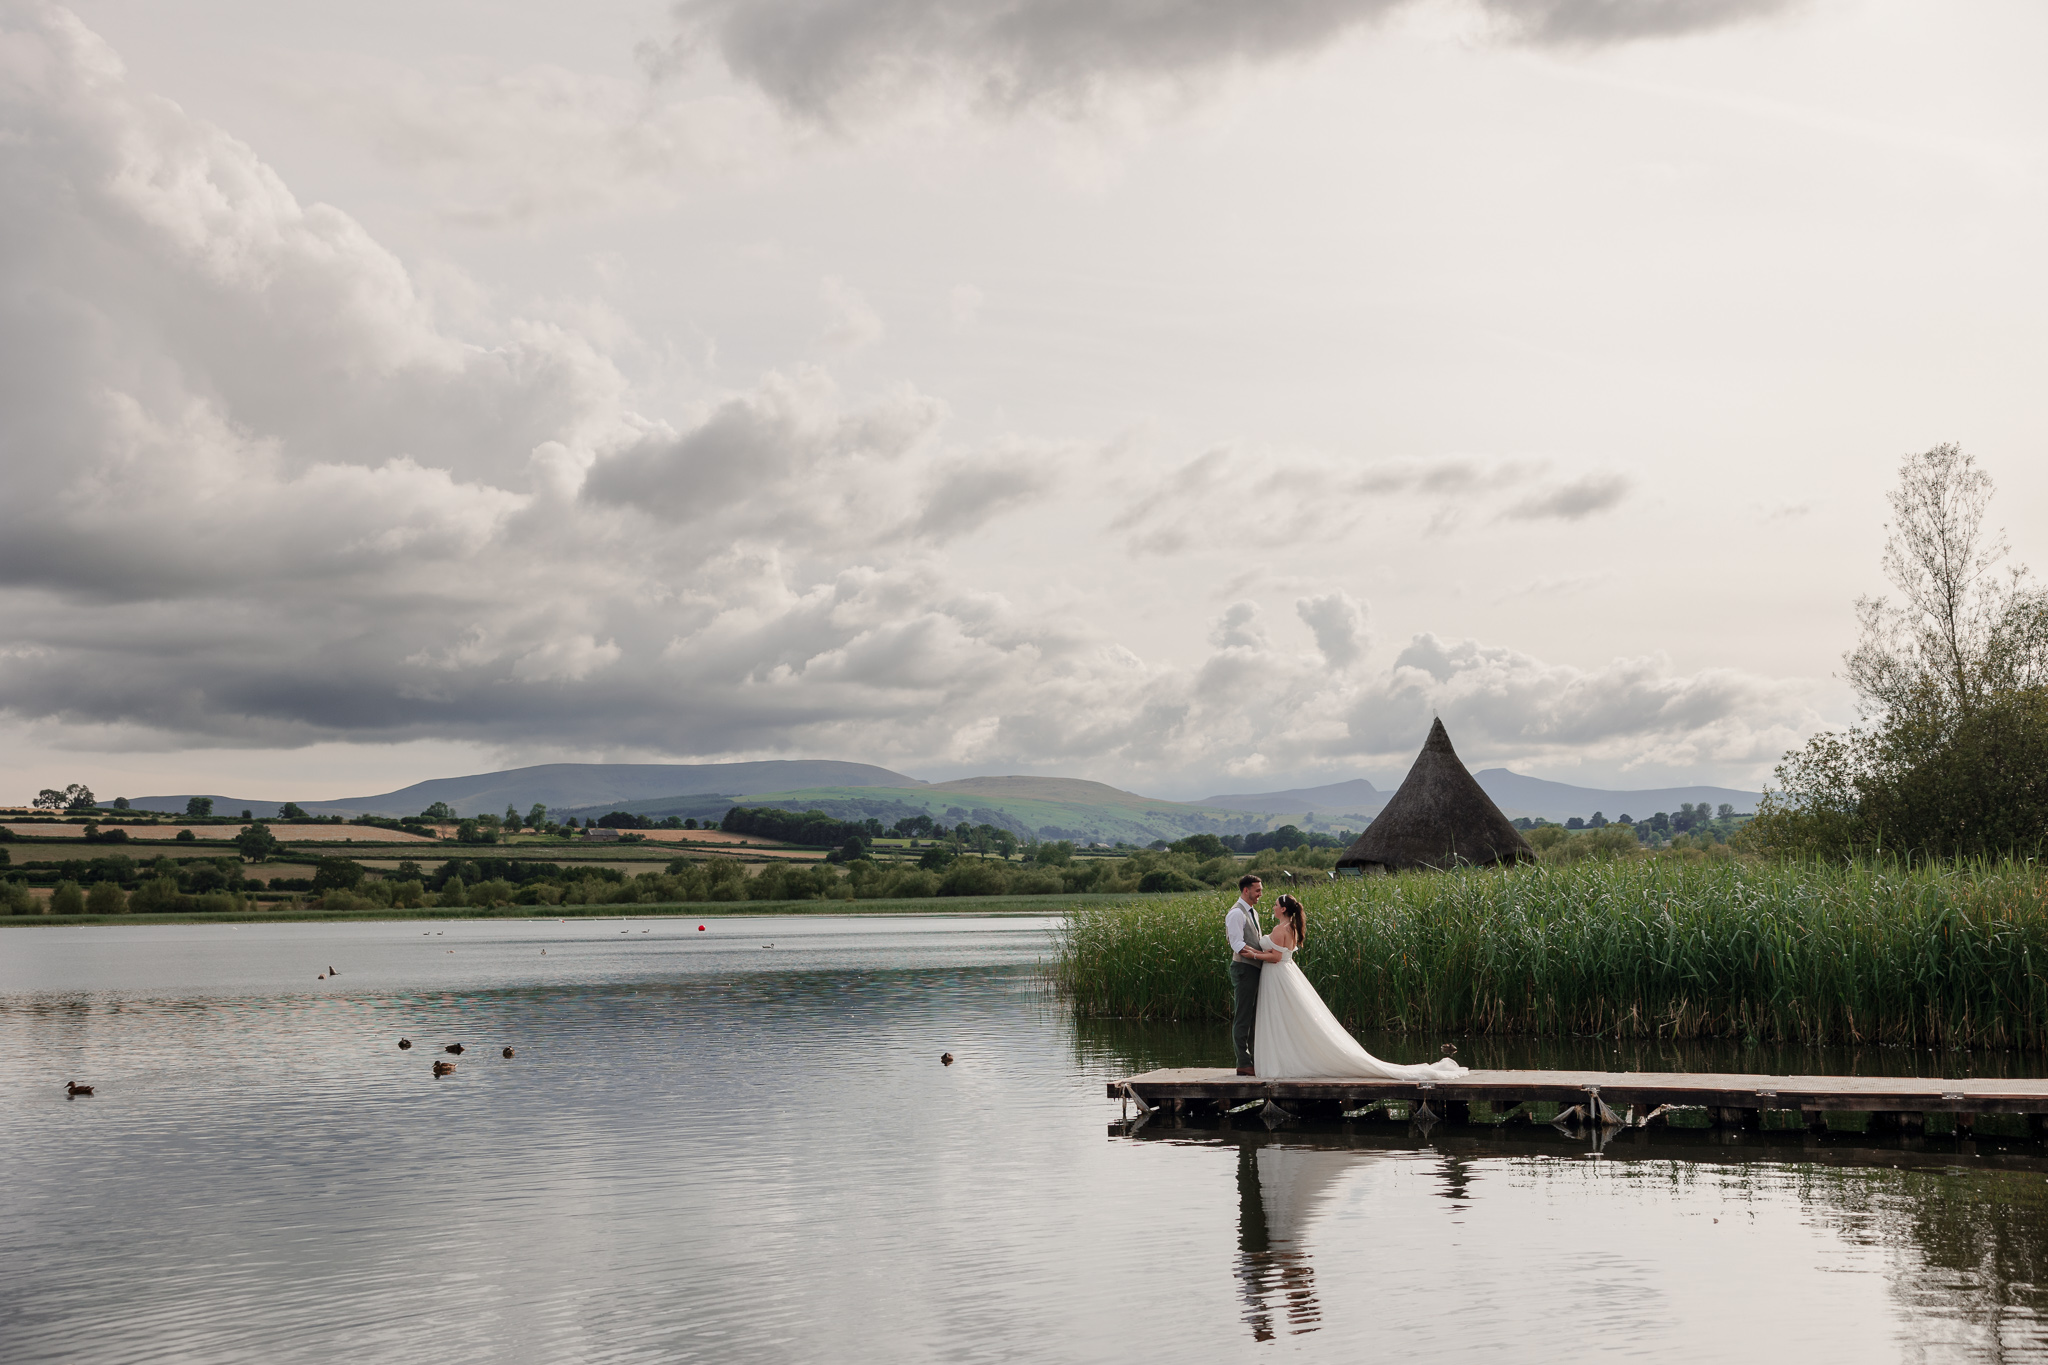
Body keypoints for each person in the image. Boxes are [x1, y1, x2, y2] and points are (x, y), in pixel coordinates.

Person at [1254, 894, 1468, 1081]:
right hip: (1287, 974)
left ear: (1283, 909)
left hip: (1277, 975)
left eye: (1275, 905)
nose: (1272, 907)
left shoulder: (1280, 928)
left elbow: (1276, 957)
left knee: (1279, 1017)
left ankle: (1282, 1059)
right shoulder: (1293, 928)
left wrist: (1251, 953)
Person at [1226, 875, 1279, 1075]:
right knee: (1243, 1016)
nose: (1260, 894)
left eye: (1261, 890)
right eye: (1257, 890)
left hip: (1254, 968)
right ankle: (1243, 1062)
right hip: (1243, 969)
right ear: (1245, 890)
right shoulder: (1236, 913)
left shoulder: (1253, 913)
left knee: (1254, 1016)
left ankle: (1254, 1060)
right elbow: (1236, 943)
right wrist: (1258, 955)